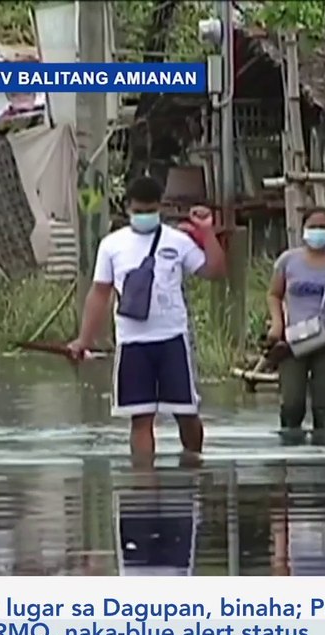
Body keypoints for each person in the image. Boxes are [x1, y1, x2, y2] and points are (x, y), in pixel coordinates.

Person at [67, 175, 226, 458]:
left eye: (150, 211)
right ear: (127, 208)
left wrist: (208, 233)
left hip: (172, 340)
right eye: (139, 211)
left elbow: (213, 271)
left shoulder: (178, 241)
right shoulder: (111, 245)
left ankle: (194, 468)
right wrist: (84, 339)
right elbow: (99, 294)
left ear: (160, 208)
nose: (144, 216)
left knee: (186, 414)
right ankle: (142, 487)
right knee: (140, 418)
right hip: (132, 343)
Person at [266, 207, 325, 439]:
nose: (317, 231)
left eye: (323, 227)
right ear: (303, 229)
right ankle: (288, 454)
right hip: (293, 341)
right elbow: (274, 294)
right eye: (313, 226)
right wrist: (277, 325)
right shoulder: (288, 260)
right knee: (292, 403)